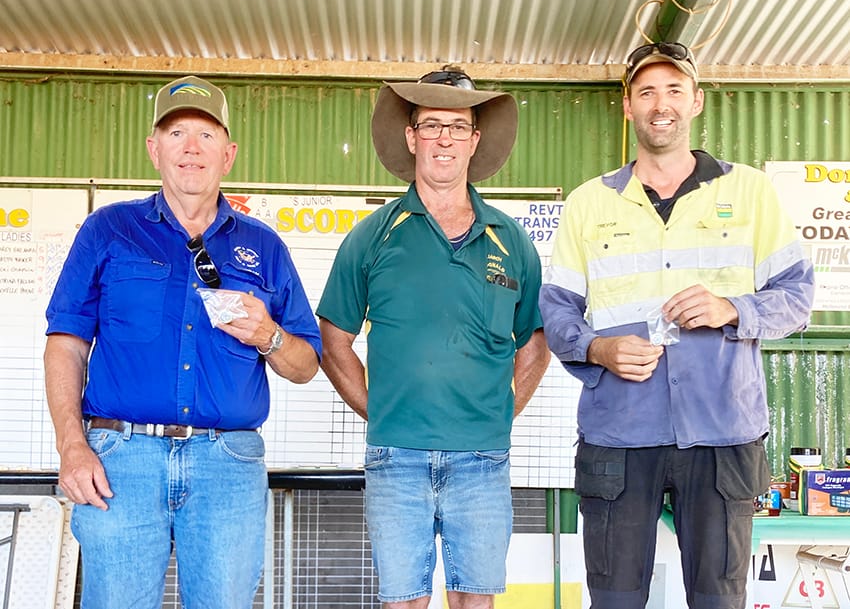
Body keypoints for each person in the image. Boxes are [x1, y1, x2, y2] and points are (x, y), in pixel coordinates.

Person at [539, 42, 815, 609]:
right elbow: (557, 309)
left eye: (673, 90)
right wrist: (598, 348)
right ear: (627, 107)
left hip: (721, 433)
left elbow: (798, 297)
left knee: (719, 599)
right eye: (646, 92)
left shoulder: (750, 193)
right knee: (614, 601)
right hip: (620, 434)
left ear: (696, 102)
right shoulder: (590, 204)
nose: (659, 104)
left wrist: (734, 308)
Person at [43, 75, 322, 609]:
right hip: (120, 458)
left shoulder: (264, 247)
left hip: (228, 464)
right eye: (175, 134)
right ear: (154, 149)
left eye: (206, 134)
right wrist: (71, 445)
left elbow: (305, 363)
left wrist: (269, 335)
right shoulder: (108, 230)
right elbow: (67, 343)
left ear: (229, 154)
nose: (191, 147)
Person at [316, 68, 550, 609]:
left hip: (482, 459)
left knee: (475, 602)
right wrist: (380, 411)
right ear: (411, 137)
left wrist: (497, 412)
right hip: (396, 457)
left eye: (456, 126)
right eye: (431, 125)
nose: (443, 137)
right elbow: (334, 340)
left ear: (474, 141)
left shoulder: (511, 240)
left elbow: (533, 343)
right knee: (404, 602)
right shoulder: (373, 236)